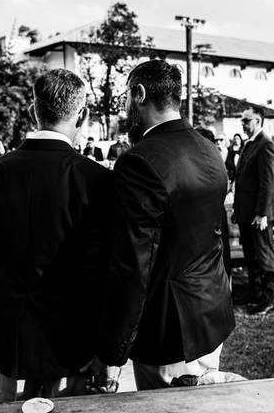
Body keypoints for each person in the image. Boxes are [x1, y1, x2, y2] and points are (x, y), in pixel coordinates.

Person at [0, 69, 111, 402]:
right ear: (82, 115)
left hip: (10, 312)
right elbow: (102, 260)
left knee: (6, 401)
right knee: (66, 403)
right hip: (73, 319)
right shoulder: (95, 178)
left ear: (34, 110)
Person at [97, 59, 235, 390]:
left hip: (167, 326)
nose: (125, 107)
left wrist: (114, 350)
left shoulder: (139, 161)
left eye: (126, 97)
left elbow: (134, 263)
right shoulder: (209, 150)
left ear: (139, 94)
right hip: (210, 310)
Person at [233, 106, 274, 315]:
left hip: (258, 214)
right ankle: (255, 294)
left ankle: (268, 299)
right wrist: (237, 210)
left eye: (247, 120)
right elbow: (243, 180)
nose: (243, 124)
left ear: (258, 121)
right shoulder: (249, 143)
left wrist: (262, 213)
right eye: (242, 120)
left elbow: (268, 183)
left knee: (264, 256)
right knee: (251, 257)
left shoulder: (265, 144)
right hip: (246, 212)